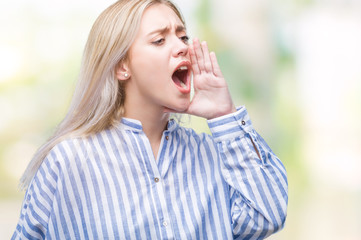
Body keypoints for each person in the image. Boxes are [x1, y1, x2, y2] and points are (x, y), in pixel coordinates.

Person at [12, 0, 288, 239]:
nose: (181, 47)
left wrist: (224, 115)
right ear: (122, 66)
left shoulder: (216, 153)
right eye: (159, 40)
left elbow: (267, 217)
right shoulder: (68, 160)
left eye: (183, 37)